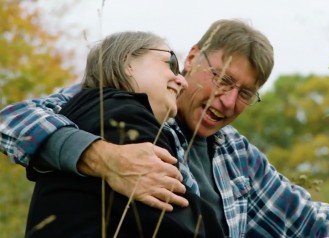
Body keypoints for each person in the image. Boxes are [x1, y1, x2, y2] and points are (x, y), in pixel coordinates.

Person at [1, 19, 329, 237]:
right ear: (191, 58)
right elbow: (11, 120)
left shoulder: (239, 157)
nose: (227, 102)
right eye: (222, 80)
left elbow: (310, 222)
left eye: (245, 93)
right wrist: (101, 156)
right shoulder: (124, 98)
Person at [25, 31, 225, 237]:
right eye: (170, 64)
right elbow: (181, 225)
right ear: (127, 62)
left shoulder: (87, 113)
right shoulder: (121, 113)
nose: (182, 81)